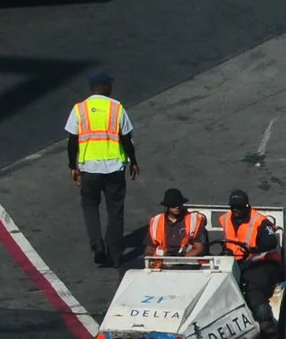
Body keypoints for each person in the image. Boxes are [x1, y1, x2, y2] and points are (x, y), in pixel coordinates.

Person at [64, 71, 138, 267]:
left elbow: (72, 141)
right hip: (114, 168)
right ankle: (114, 253)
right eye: (110, 85)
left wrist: (73, 166)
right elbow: (126, 138)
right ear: (104, 87)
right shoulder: (116, 108)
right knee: (115, 211)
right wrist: (133, 161)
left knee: (90, 206)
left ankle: (97, 244)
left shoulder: (80, 109)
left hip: (89, 169)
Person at [220, 189, 283, 328]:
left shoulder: (260, 221)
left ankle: (265, 320)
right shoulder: (225, 219)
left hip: (263, 262)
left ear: (247, 206)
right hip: (237, 262)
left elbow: (271, 241)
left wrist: (254, 249)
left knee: (251, 286)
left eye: (239, 207)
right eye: (233, 207)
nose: (236, 210)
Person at [144, 188, 208, 265]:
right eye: (173, 205)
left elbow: (199, 249)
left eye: (179, 204)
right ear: (167, 205)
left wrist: (178, 261)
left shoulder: (195, 220)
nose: (177, 207)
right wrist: (158, 259)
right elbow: (149, 249)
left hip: (188, 263)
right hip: (163, 264)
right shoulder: (156, 221)